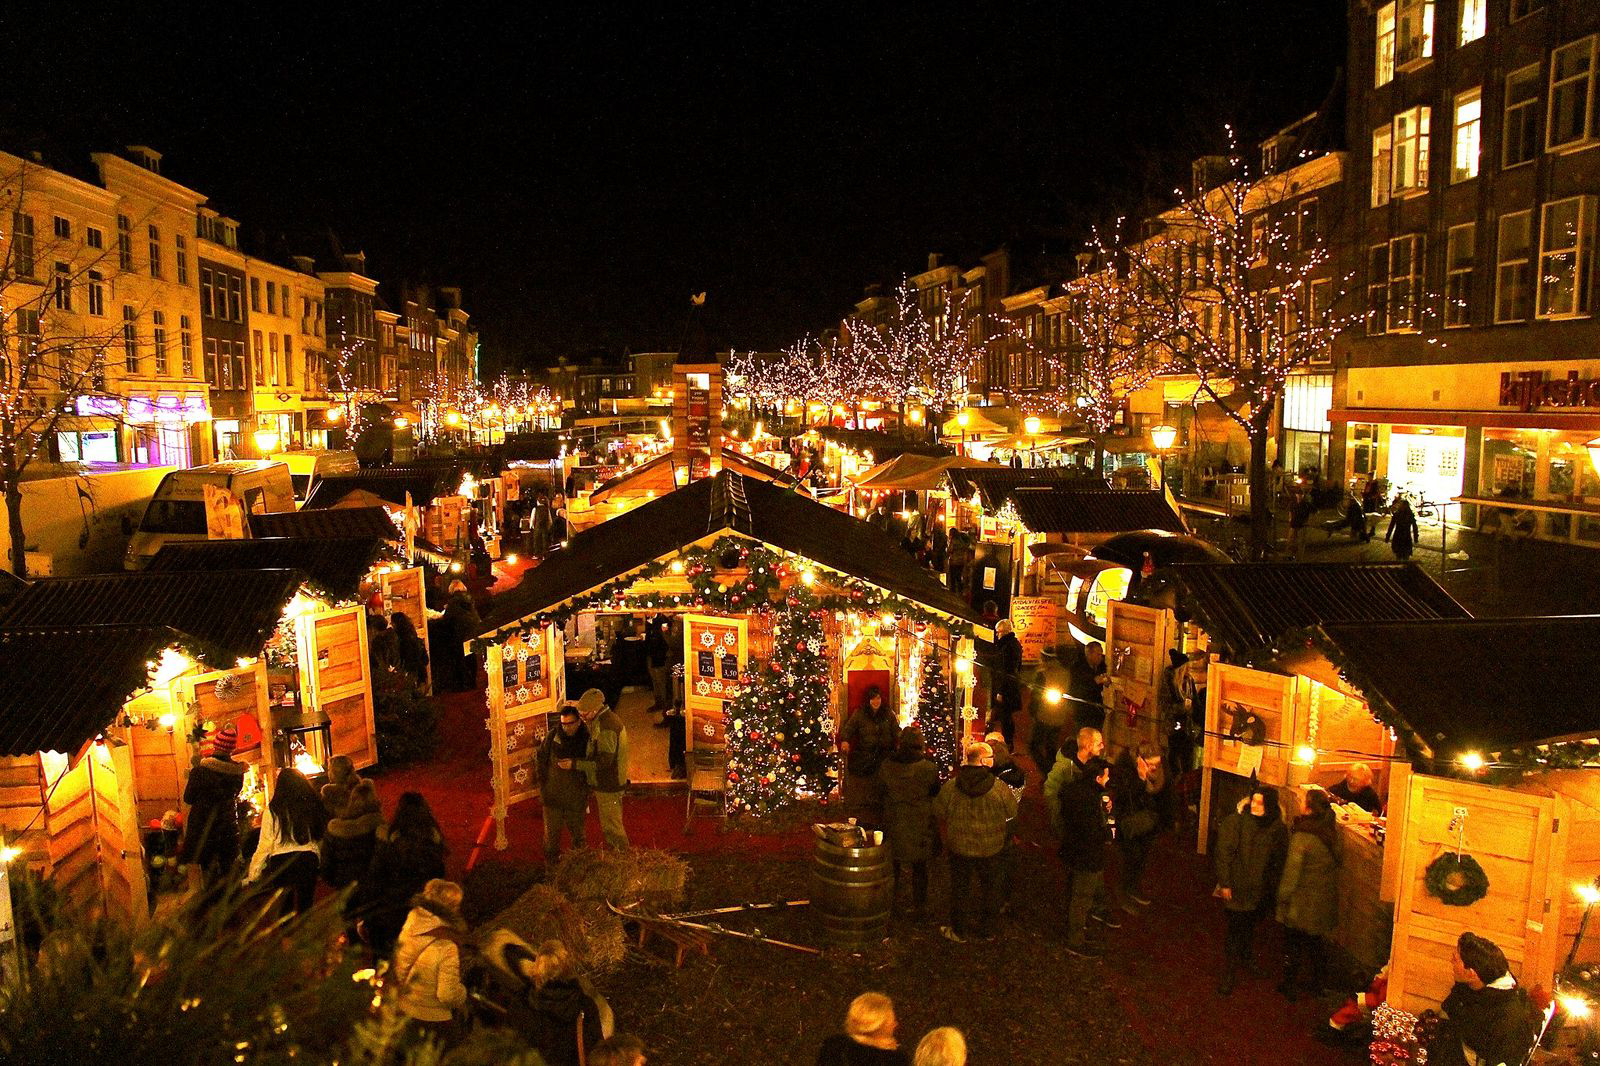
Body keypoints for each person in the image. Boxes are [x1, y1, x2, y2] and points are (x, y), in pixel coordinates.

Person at [932, 742, 1018, 944]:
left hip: (960, 847)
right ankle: (987, 930)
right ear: (982, 761)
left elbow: (939, 811)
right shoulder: (998, 788)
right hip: (991, 847)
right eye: (989, 757)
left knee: (960, 889)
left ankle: (959, 930)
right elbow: (1012, 811)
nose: (993, 760)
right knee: (990, 889)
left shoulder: (952, 786)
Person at [1214, 787, 1289, 994]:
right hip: (1238, 888)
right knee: (1235, 931)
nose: (1254, 806)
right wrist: (1225, 883)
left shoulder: (1277, 829)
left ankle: (1246, 959)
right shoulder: (1236, 823)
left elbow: (1279, 860)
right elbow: (1224, 854)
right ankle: (1229, 971)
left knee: (1249, 929)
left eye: (1260, 803)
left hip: (1260, 892)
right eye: (1253, 801)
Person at [356, 791, 448, 956]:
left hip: (390, 919)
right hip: (420, 922)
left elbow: (374, 883)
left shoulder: (388, 845)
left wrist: (366, 918)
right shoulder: (433, 847)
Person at [1435, 932, 1540, 1066]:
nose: (1451, 961)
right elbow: (1449, 1016)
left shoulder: (1509, 1022)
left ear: (1471, 974)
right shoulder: (1469, 987)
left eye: (1456, 959)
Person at [1276, 789, 1340, 1000]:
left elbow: (1291, 874)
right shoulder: (1329, 831)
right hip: (1321, 902)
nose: (1298, 800)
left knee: (1293, 945)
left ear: (1309, 809)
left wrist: (1281, 898)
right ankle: (1319, 984)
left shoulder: (1303, 837)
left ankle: (1289, 986)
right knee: (1315, 945)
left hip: (1302, 904)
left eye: (1302, 799)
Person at [393, 878, 469, 1043]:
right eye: (456, 905)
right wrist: (463, 994)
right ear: (449, 907)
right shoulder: (447, 944)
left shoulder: (412, 923)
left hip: (405, 1010)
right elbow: (447, 995)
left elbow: (399, 964)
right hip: (433, 1017)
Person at [245, 767, 327, 915]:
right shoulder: (310, 805)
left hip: (281, 862)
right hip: (307, 858)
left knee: (284, 908)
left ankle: (286, 936)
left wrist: (254, 873)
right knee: (305, 905)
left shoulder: (272, 811)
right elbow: (319, 833)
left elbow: (265, 844)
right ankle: (305, 934)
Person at [880, 727, 939, 921]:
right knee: (920, 868)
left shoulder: (887, 766)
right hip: (919, 823)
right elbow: (934, 791)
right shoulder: (928, 768)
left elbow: (881, 790)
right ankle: (919, 906)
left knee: (893, 866)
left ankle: (891, 903)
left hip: (895, 821)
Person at [179, 722, 246, 891]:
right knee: (228, 872)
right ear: (231, 749)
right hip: (227, 831)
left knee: (209, 876)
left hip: (204, 831)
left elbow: (188, 798)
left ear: (216, 746)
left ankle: (211, 910)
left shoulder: (201, 771)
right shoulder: (237, 773)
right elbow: (235, 794)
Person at [1059, 756, 1114, 959]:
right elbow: (1092, 830)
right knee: (1081, 898)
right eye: (1106, 776)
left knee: (1074, 893)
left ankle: (1074, 932)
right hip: (1087, 855)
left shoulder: (1073, 791)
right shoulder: (1090, 799)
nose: (1108, 780)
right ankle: (1075, 941)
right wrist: (1106, 833)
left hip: (1072, 851)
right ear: (1098, 778)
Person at [576, 687, 630, 850]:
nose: (582, 718)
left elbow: (604, 762)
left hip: (609, 784)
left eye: (584, 714)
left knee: (612, 826)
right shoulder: (603, 720)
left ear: (594, 710)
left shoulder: (606, 727)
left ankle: (621, 858)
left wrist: (575, 764)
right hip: (609, 782)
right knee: (611, 823)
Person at [538, 703, 593, 864]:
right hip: (553, 798)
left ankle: (579, 868)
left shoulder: (586, 739)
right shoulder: (553, 737)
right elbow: (541, 759)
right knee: (551, 839)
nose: (566, 728)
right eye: (563, 724)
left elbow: (591, 764)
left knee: (578, 838)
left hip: (575, 798)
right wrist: (543, 784)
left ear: (578, 722)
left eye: (570, 724)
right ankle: (552, 870)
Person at [839, 685, 900, 828]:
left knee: (888, 766)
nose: (875, 701)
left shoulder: (888, 713)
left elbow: (896, 730)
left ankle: (884, 803)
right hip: (866, 752)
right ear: (868, 700)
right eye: (872, 698)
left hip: (886, 752)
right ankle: (864, 804)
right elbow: (848, 729)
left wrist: (902, 740)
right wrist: (845, 740)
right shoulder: (859, 713)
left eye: (877, 698)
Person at [1110, 745, 1163, 909]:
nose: (1154, 768)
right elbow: (1126, 796)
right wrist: (1141, 779)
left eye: (1157, 764)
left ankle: (1133, 887)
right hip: (1127, 822)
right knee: (1130, 858)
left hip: (1142, 821)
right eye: (1151, 764)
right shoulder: (1124, 771)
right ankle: (1122, 892)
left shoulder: (1152, 773)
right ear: (1140, 759)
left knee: (1141, 856)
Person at [816, 992, 911, 1065]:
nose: (896, 1024)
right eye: (890, 1021)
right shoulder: (894, 1060)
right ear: (877, 1026)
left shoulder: (834, 1049)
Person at [321, 778, 383, 890]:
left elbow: (326, 864)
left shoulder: (335, 829)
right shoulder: (380, 826)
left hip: (343, 883)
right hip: (371, 884)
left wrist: (334, 880)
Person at [1044, 727, 1104, 837]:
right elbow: (1050, 792)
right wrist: (1059, 818)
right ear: (1088, 746)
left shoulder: (1091, 765)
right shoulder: (1063, 767)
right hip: (1068, 826)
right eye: (1099, 744)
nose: (1102, 746)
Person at [440, 580, 482, 691]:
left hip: (459, 633)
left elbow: (447, 620)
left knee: (460, 659)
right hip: (472, 631)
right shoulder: (469, 600)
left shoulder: (453, 603)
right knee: (471, 657)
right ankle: (472, 682)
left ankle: (463, 684)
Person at [989, 620, 1023, 747]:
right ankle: (1005, 741)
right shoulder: (1012, 644)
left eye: (999, 632)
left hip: (1006, 688)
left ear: (1004, 632)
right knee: (1003, 715)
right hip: (1009, 686)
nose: (997, 635)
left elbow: (1007, 670)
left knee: (1005, 716)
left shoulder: (1008, 647)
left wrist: (1000, 691)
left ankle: (1008, 743)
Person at [1067, 642, 1110, 732]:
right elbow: (1076, 690)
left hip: (1097, 712)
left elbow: (1103, 685)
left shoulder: (1101, 667)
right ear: (1089, 654)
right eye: (1098, 654)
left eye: (1101, 654)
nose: (1100, 657)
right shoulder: (1077, 669)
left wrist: (1106, 684)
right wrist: (1094, 682)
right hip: (1083, 713)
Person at [644, 615, 672, 717]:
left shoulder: (663, 620)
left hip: (661, 655)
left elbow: (666, 638)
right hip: (651, 654)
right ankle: (658, 702)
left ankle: (666, 709)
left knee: (661, 681)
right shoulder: (648, 619)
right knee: (655, 680)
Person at [392, 612, 430, 688]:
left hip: (412, 674)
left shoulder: (403, 640)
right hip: (420, 672)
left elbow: (407, 660)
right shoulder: (412, 635)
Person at [320, 754, 358, 819]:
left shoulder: (330, 792)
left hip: (342, 827)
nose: (328, 772)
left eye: (329, 769)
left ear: (334, 773)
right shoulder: (360, 786)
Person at [1386, 496, 1420, 561]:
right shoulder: (1409, 515)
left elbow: (1391, 526)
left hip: (1398, 537)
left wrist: (1387, 537)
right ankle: (1404, 568)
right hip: (1406, 537)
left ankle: (1400, 568)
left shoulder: (1397, 514)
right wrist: (1416, 538)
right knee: (1405, 557)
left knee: (1398, 556)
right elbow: (1415, 527)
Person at [1289, 492, 1315, 560]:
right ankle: (1291, 556)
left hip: (1302, 525)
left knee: (1301, 542)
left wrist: (1308, 521)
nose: (1299, 496)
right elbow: (1290, 511)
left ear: (1303, 495)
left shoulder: (1306, 504)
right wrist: (1290, 519)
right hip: (1293, 524)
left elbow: (1314, 511)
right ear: (1296, 495)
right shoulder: (1293, 503)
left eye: (1301, 494)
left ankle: (1300, 558)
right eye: (1298, 494)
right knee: (1291, 541)